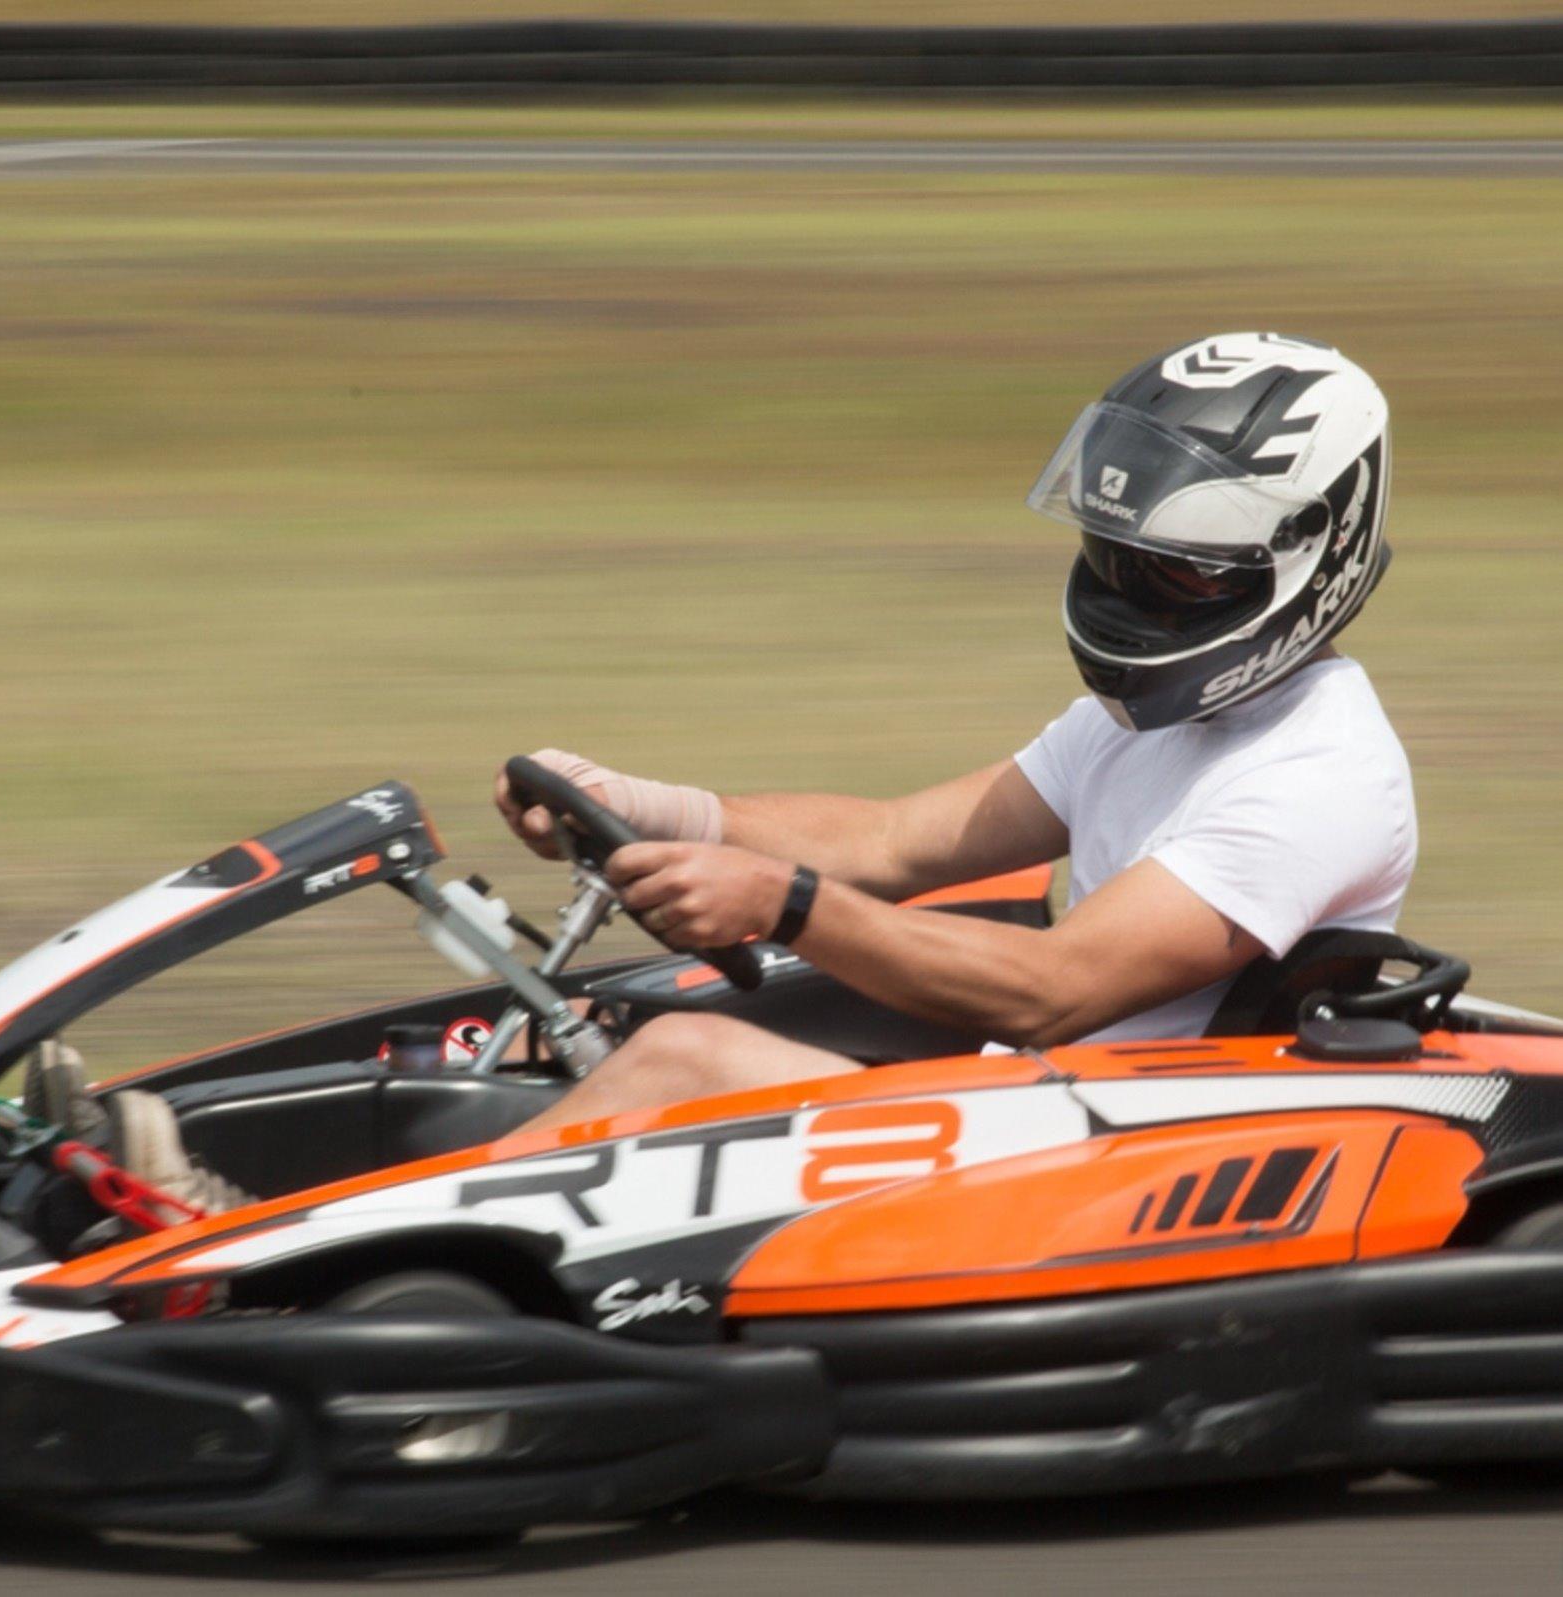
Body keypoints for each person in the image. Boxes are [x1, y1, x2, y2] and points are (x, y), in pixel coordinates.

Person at [73, 330, 1417, 1200]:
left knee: (687, 1056)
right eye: (1122, 555)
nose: (1133, 588)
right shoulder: (1157, 722)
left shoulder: (1315, 769)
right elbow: (896, 839)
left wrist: (776, 907)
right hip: (1034, 1102)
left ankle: (268, 1267)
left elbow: (1054, 986)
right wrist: (654, 809)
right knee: (600, 1028)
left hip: (1134, 1162)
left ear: (1311, 557)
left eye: (1180, 568)